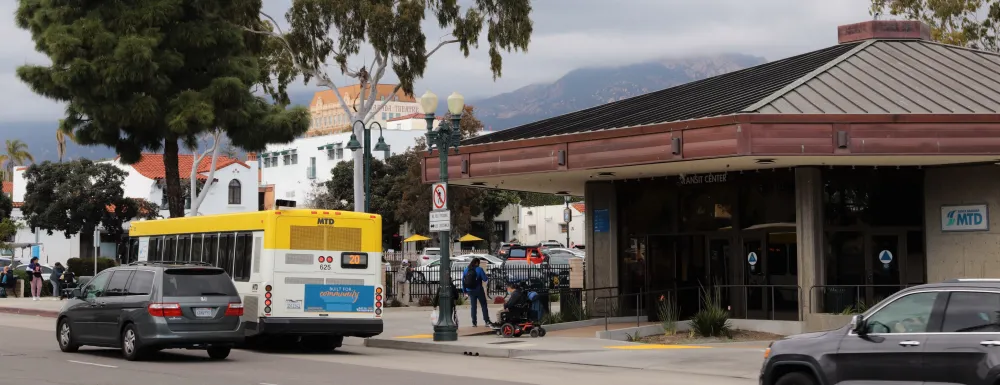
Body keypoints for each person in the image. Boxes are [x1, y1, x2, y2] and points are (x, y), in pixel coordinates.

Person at [463, 258, 491, 327]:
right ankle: (486, 321)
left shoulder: (466, 270)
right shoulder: (479, 269)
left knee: (473, 307)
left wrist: (465, 291)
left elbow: (463, 281)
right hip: (478, 290)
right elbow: (485, 279)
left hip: (470, 291)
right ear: (477, 263)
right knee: (483, 305)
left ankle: (474, 323)